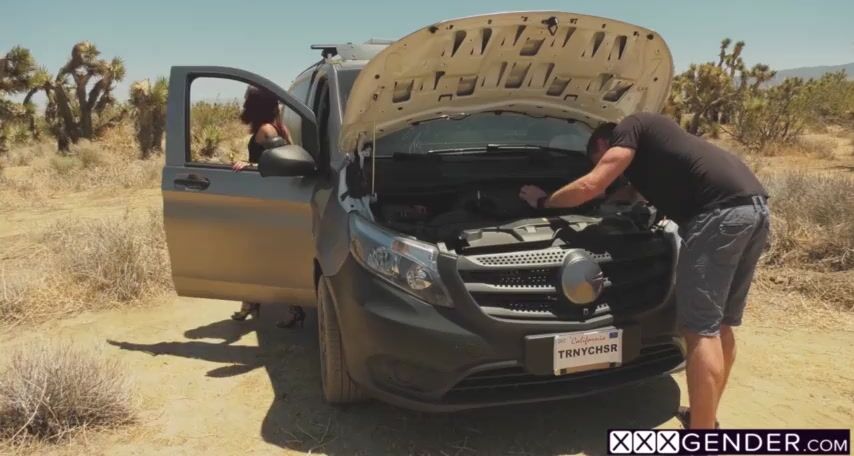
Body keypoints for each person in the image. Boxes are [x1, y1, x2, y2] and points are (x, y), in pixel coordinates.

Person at [519, 112, 770, 429]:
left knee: (700, 330)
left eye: (599, 159)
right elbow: (621, 194)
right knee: (721, 326)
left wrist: (543, 202)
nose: (610, 169)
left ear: (603, 144)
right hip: (754, 209)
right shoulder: (653, 154)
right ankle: (704, 417)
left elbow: (592, 184)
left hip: (717, 217)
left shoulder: (630, 125)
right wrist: (604, 203)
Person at [230, 86, 305, 329]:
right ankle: (253, 302)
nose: (244, 105)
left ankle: (291, 308)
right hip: (271, 201)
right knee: (260, 256)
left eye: (247, 101)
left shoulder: (266, 130)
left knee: (263, 257)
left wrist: (249, 165)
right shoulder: (278, 127)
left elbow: (282, 163)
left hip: (267, 202)